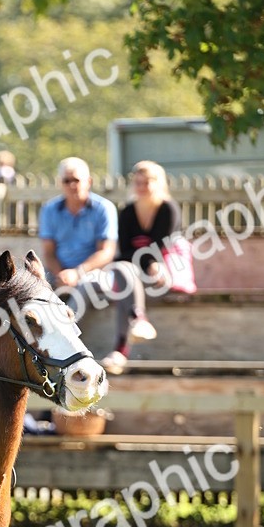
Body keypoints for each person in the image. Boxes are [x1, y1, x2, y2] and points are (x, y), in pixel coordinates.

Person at [101, 160, 181, 374]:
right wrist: (146, 261)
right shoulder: (127, 211)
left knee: (123, 279)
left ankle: (120, 350)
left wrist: (150, 262)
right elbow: (124, 250)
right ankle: (138, 319)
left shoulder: (168, 209)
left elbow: (159, 246)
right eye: (138, 182)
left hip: (161, 275)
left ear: (158, 183)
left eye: (147, 182)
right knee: (123, 271)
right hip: (135, 272)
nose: (142, 187)